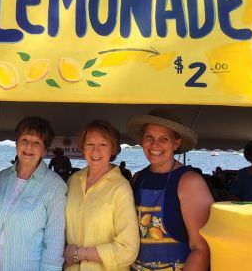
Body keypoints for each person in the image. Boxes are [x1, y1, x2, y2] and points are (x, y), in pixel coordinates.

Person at [127, 108, 214, 271]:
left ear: (176, 143)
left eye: (163, 139)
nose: (155, 145)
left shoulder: (190, 182)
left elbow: (202, 249)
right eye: (149, 137)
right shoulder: (138, 178)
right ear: (142, 141)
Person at [0, 116, 67, 271]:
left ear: (44, 150)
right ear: (16, 144)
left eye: (37, 142)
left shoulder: (55, 186)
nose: (29, 146)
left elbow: (54, 241)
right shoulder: (0, 178)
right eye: (24, 140)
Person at [64, 120, 139, 270]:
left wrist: (80, 254)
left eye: (103, 144)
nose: (95, 151)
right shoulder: (73, 181)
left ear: (113, 149)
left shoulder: (121, 187)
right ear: (83, 147)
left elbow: (128, 250)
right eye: (90, 144)